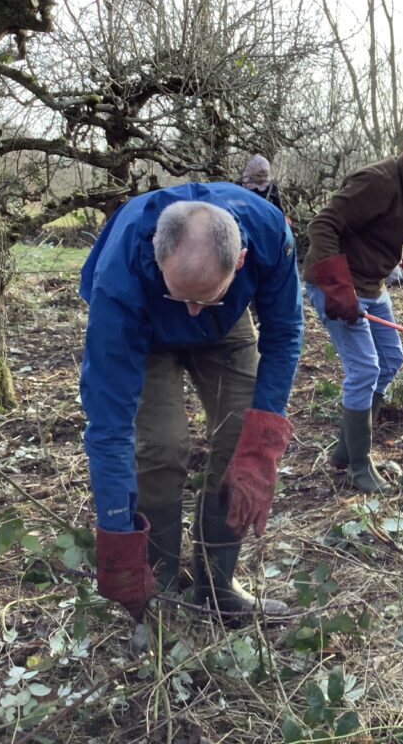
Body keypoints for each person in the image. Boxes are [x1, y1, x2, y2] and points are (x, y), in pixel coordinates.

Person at [79, 182, 303, 625]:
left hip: (227, 324)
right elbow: (109, 424)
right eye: (182, 298)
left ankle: (217, 588)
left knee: (243, 431)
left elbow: (284, 333)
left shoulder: (270, 234)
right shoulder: (118, 279)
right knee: (161, 446)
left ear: (240, 262)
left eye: (206, 298)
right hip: (144, 326)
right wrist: (117, 534)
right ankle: (158, 594)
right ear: (157, 257)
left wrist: (263, 442)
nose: (192, 312)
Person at [303, 116, 403, 491]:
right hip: (336, 283)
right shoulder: (378, 182)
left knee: (390, 362)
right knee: (365, 369)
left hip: (372, 285)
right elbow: (323, 225)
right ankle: (358, 467)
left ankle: (345, 449)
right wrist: (337, 289)